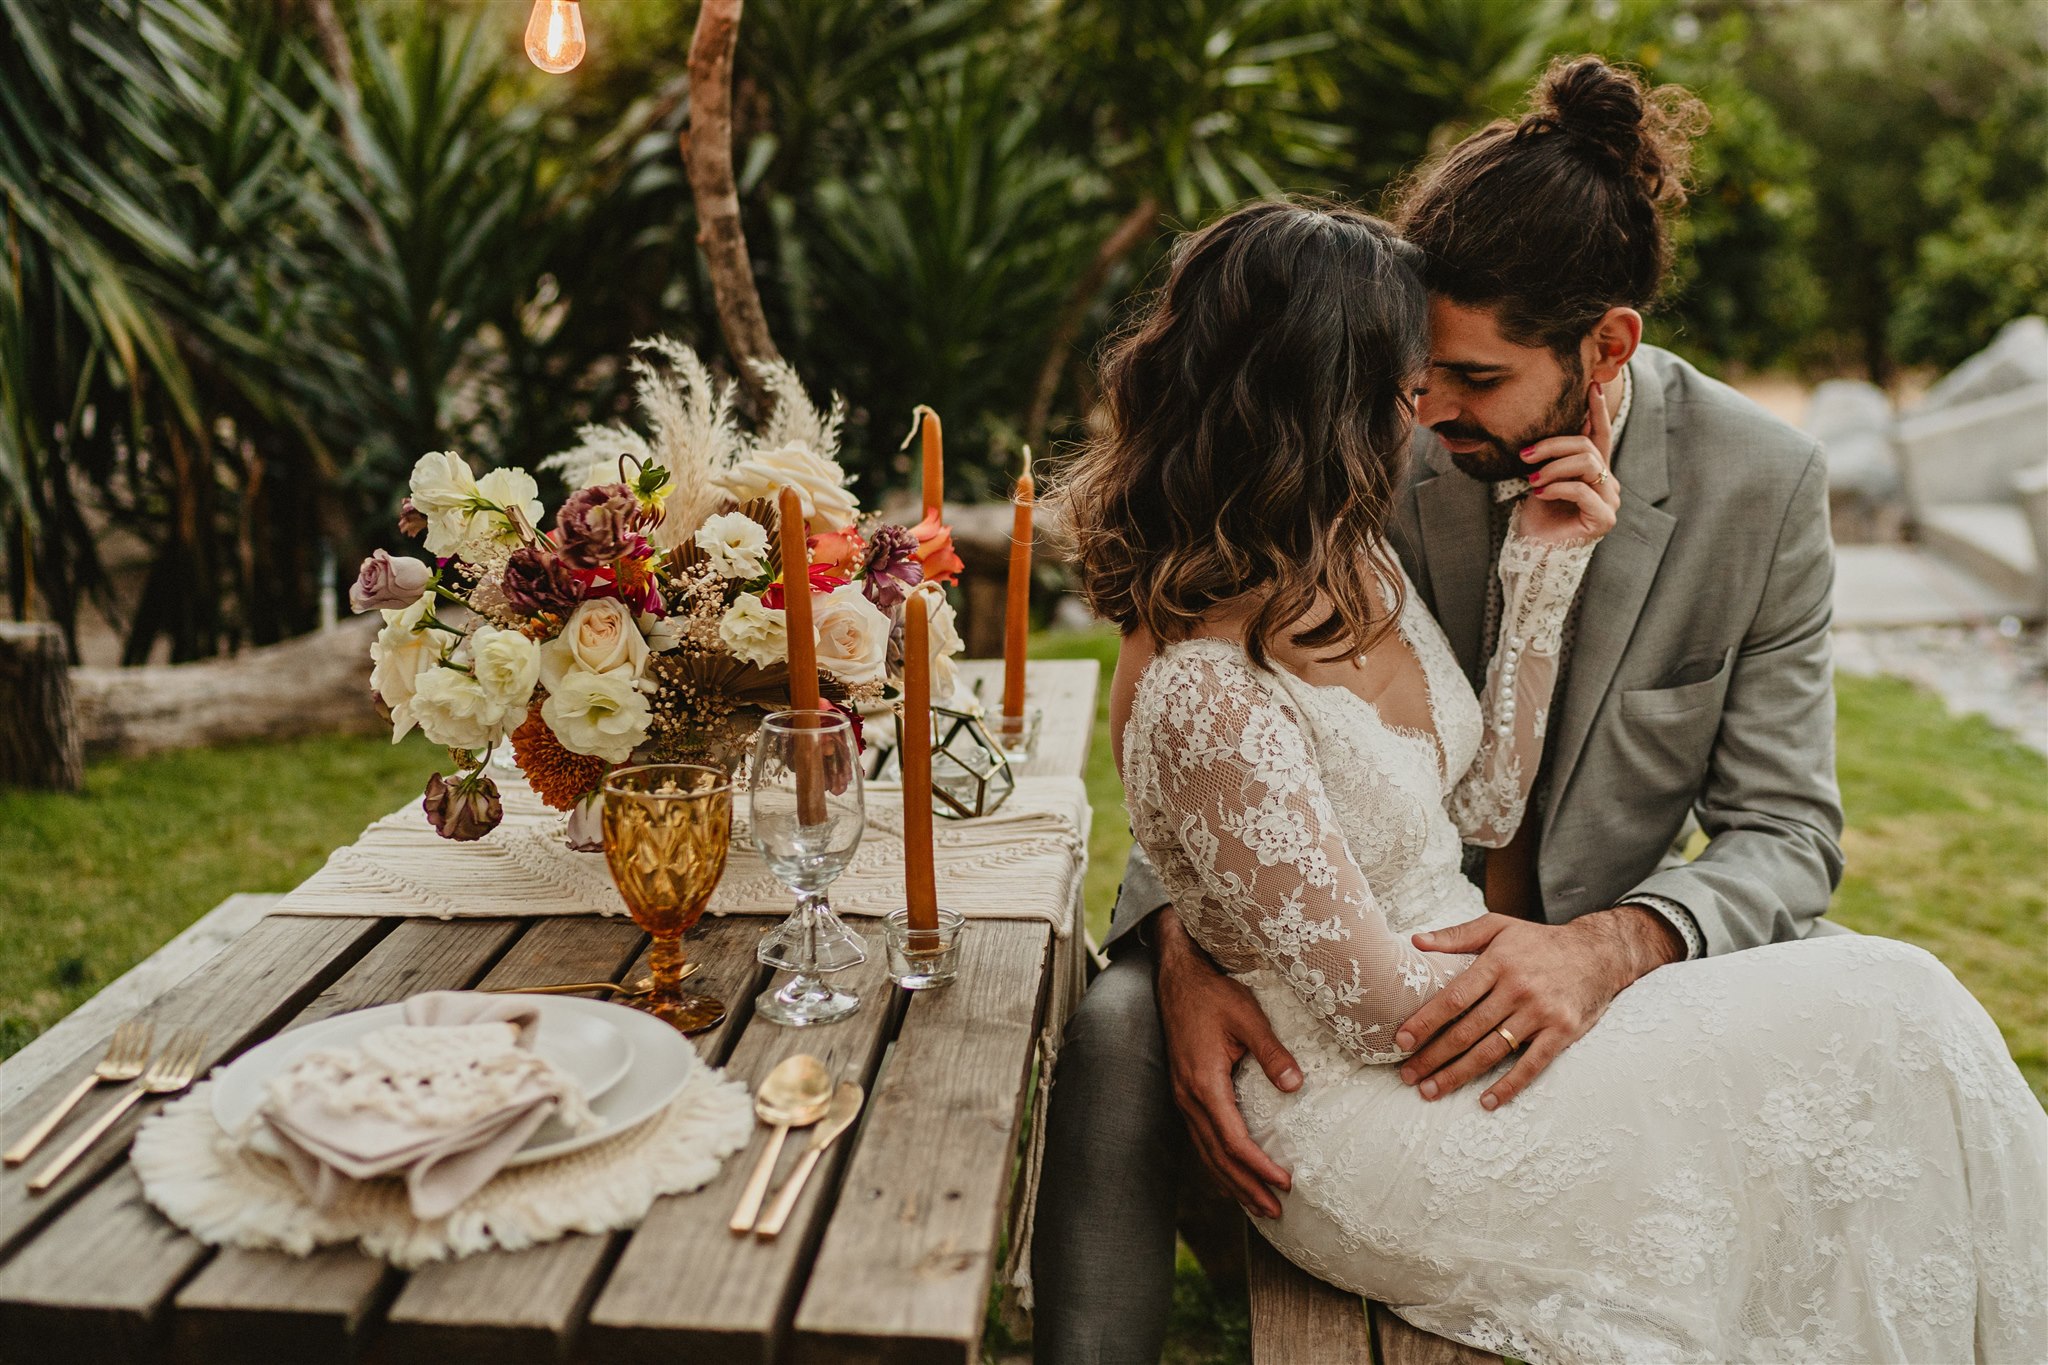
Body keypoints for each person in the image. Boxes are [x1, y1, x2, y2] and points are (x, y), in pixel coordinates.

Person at [1034, 58, 2047, 1365]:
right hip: (1370, 1028)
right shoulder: (1360, 449)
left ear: (1607, 345)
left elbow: (1787, 831)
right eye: (1414, 377)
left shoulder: (1764, 483)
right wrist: (1198, 944)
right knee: (1117, 1011)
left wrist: (1609, 948)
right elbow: (1197, 716)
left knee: (1903, 1048)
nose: (1430, 412)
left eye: (1472, 377)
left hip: (1587, 983)